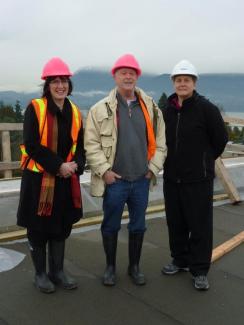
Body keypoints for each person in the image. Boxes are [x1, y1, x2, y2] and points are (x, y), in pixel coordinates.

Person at [84, 54, 167, 286]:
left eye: (132, 73)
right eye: (123, 72)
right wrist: (105, 172)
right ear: (115, 76)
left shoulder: (151, 107)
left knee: (138, 225)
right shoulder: (99, 109)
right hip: (115, 180)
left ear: (137, 76)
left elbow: (161, 142)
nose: (128, 76)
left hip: (141, 178)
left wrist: (153, 168)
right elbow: (91, 144)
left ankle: (134, 267)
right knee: (110, 224)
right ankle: (110, 267)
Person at [17, 57, 86, 293]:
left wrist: (77, 164)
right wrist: (59, 166)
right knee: (38, 229)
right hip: (39, 182)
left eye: (64, 80)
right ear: (47, 85)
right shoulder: (35, 108)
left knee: (61, 226)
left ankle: (57, 271)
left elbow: (80, 146)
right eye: (55, 81)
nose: (60, 85)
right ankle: (40, 274)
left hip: (66, 181)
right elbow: (32, 145)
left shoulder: (75, 112)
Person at [161, 60, 228, 290]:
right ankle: (179, 259)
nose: (182, 84)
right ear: (173, 82)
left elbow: (220, 139)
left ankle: (199, 269)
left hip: (198, 179)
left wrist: (205, 160)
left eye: (186, 80)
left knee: (199, 225)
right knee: (176, 222)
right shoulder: (166, 110)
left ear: (194, 83)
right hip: (171, 178)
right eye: (178, 80)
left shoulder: (206, 109)